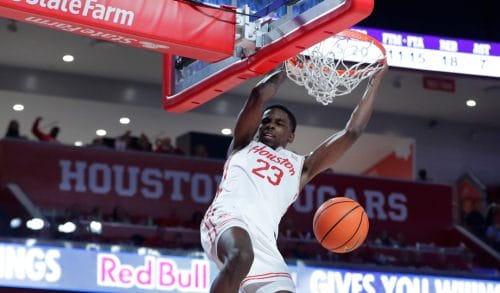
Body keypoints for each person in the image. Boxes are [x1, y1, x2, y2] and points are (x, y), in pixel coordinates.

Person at [199, 63, 387, 293]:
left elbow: (352, 132)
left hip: (265, 242)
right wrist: (289, 66)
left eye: (279, 123)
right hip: (228, 220)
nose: (270, 125)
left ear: (291, 135)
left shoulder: (302, 167)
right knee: (241, 255)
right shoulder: (243, 144)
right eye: (266, 121)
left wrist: (374, 81)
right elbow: (258, 93)